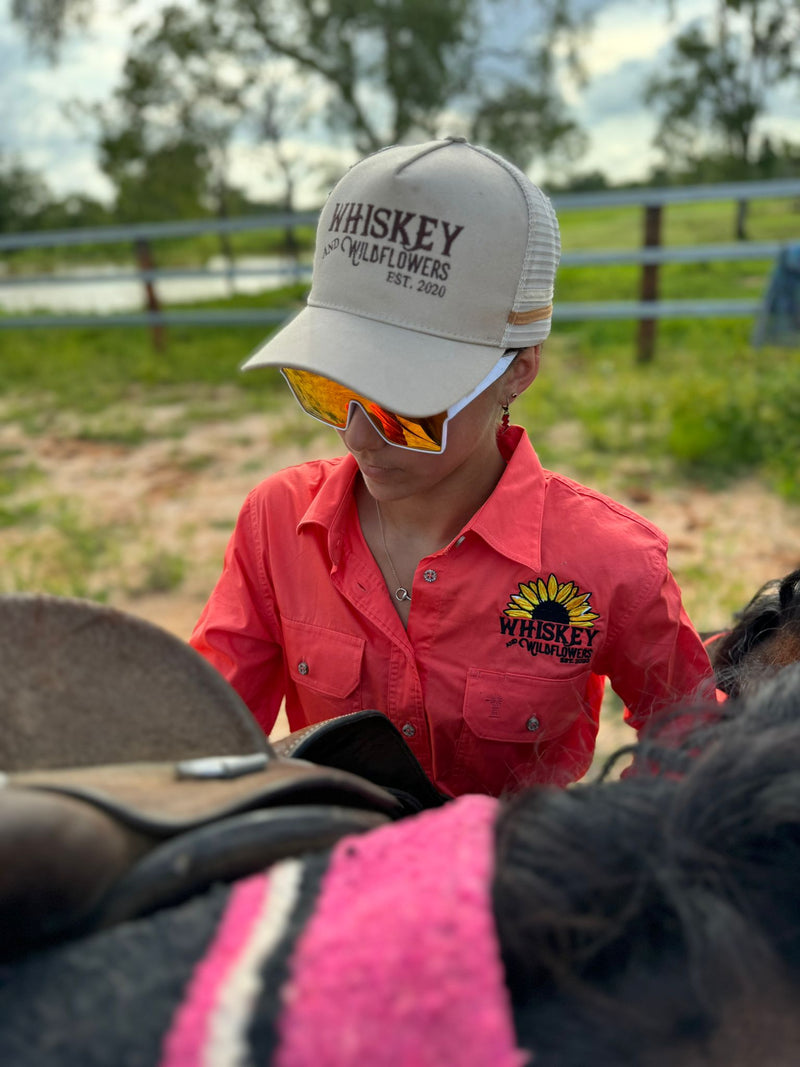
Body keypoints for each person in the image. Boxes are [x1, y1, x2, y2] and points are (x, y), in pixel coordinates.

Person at [190, 136, 716, 797]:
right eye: (331, 390)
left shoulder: (611, 562)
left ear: (517, 371)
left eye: (405, 406)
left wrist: (599, 841)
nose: (358, 436)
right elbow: (206, 743)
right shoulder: (277, 523)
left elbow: (696, 745)